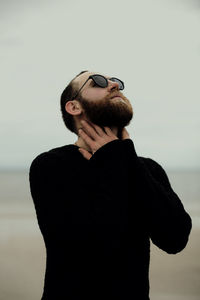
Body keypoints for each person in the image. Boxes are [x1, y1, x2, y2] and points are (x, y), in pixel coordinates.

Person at [29, 71, 192, 300]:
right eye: (99, 82)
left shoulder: (147, 168)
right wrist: (114, 161)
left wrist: (122, 157)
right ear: (74, 106)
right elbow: (90, 247)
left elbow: (175, 238)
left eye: (115, 81)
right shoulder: (50, 165)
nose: (114, 84)